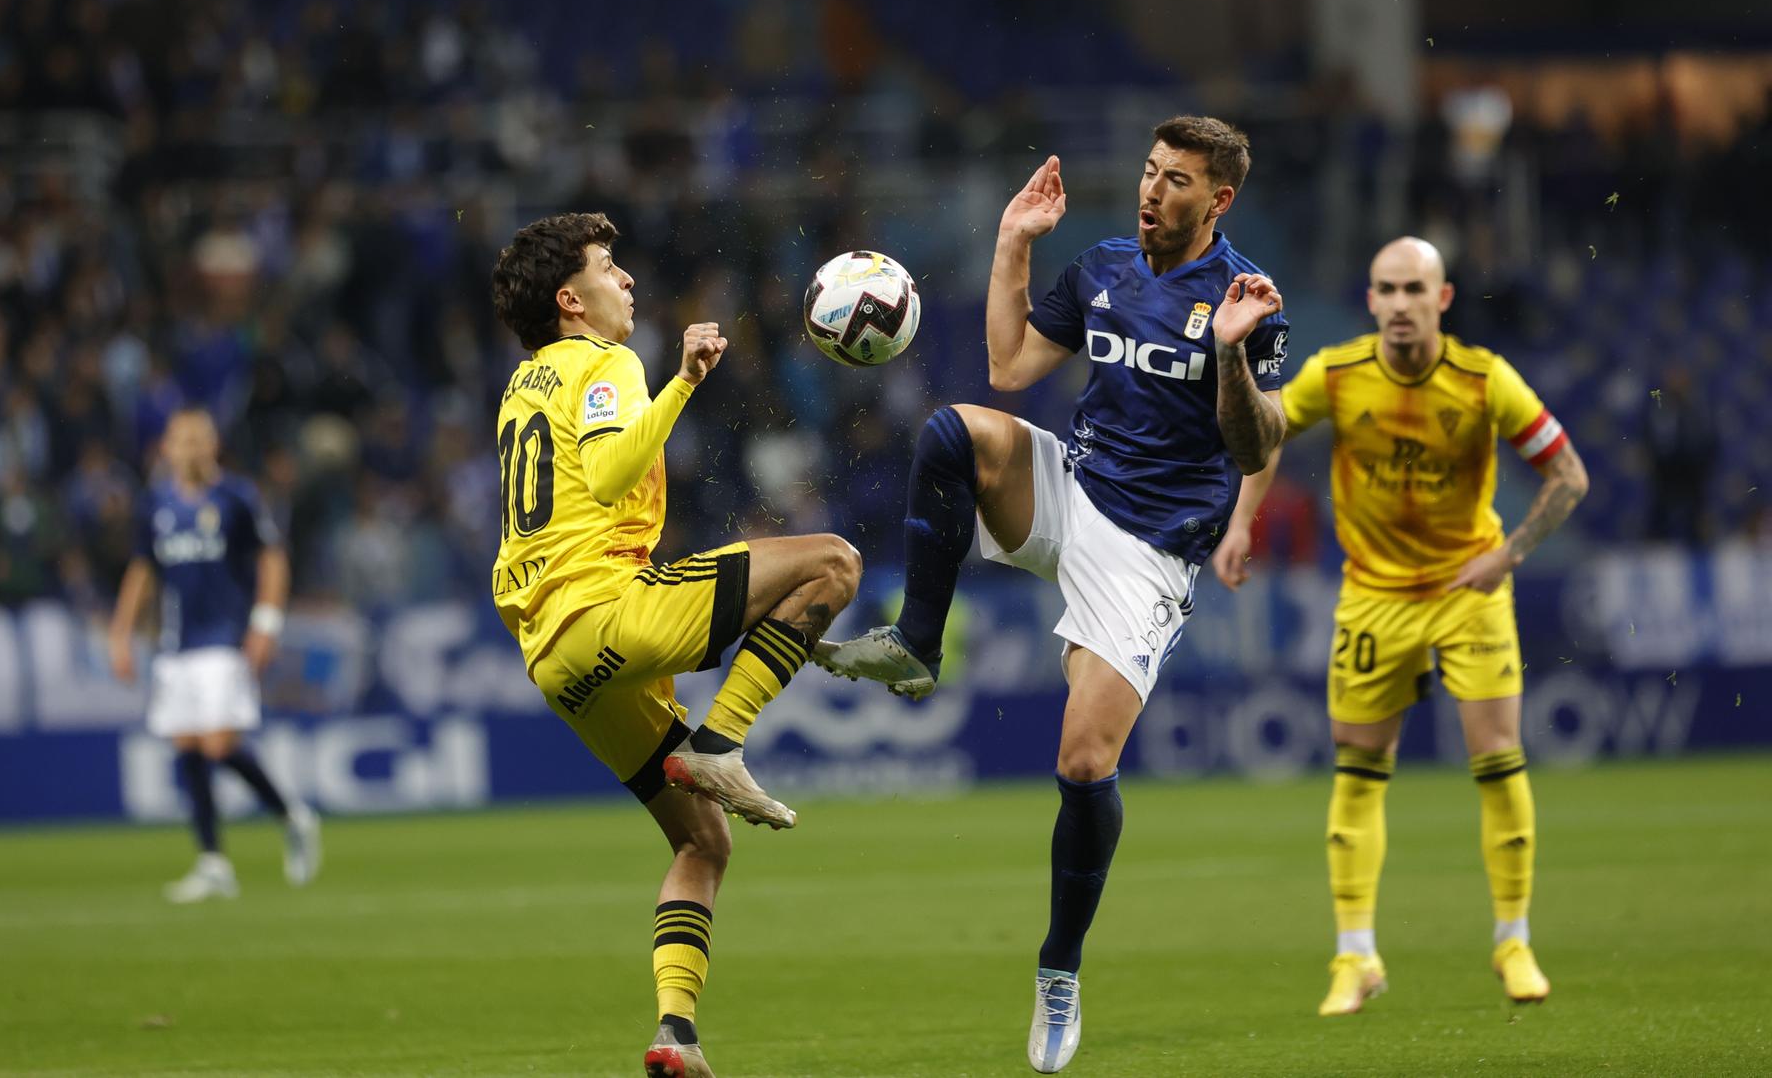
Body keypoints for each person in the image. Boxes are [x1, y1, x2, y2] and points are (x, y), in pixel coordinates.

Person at [814, 118, 1290, 1073]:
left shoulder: (1246, 300)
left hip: (1150, 550)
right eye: (1151, 173)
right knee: (955, 431)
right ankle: (916, 642)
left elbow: (1255, 448)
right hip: (1071, 490)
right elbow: (1011, 367)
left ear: (1218, 201)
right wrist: (1012, 243)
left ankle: (1060, 969)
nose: (1154, 191)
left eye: (1178, 182)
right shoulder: (1104, 265)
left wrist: (1233, 353)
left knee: (1082, 762)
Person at [488, 212, 863, 1078]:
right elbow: (615, 471)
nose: (625, 280)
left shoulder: (521, 386)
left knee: (702, 843)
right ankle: (723, 740)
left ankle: (676, 1034)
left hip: (554, 657)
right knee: (834, 565)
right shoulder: (608, 362)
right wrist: (685, 381)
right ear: (569, 300)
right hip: (609, 611)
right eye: (607, 267)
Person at [1211, 236, 1589, 1015]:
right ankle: (1355, 957)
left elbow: (1568, 474)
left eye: (1417, 288)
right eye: (1388, 288)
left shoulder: (1487, 381)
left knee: (1499, 759)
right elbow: (1265, 435)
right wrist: (1242, 520)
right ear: (1372, 299)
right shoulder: (1340, 375)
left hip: (1467, 586)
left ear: (1442, 299)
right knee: (1357, 771)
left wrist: (1509, 555)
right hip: (1374, 595)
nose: (1402, 302)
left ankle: (1514, 941)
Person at [109, 407, 322, 903]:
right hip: (176, 642)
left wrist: (266, 623)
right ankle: (213, 862)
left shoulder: (237, 498)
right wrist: (120, 634)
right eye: (183, 439)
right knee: (188, 747)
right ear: (167, 448)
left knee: (219, 744)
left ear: (214, 446)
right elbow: (142, 571)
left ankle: (292, 816)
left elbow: (272, 558)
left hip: (225, 637)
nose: (193, 447)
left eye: (201, 438)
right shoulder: (156, 504)